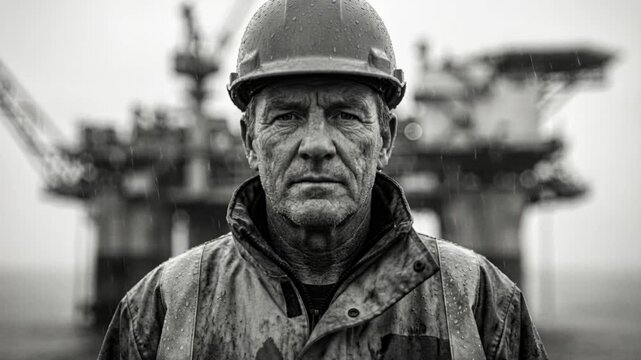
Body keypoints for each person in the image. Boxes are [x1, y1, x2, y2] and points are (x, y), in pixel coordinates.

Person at [99, 0, 548, 359]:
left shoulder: (482, 305)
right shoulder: (156, 312)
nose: (317, 144)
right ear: (249, 140)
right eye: (288, 115)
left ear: (386, 137)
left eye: (345, 114)